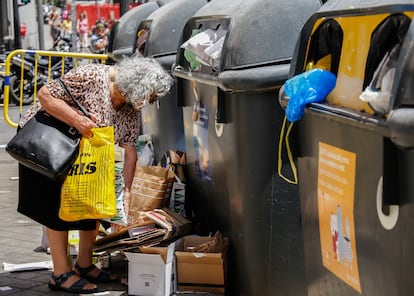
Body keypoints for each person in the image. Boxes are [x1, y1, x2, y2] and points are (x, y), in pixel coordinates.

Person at [16, 55, 174, 294]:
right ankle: (60, 274)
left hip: (85, 156)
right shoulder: (92, 76)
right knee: (56, 209)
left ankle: (84, 264)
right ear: (137, 87)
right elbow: (45, 96)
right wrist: (78, 121)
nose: (150, 102)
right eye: (150, 96)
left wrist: (125, 195)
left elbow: (130, 152)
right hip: (50, 146)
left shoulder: (131, 108)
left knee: (93, 206)